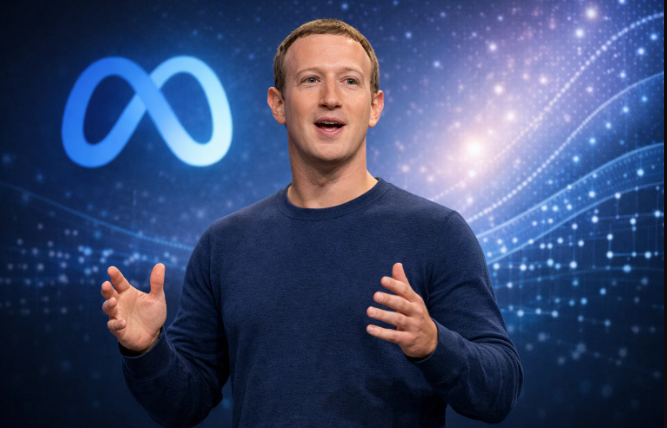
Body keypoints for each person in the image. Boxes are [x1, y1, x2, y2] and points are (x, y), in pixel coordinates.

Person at [101, 18, 523, 428]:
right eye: (310, 80)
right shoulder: (224, 244)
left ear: (374, 106)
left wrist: (434, 344)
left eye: (350, 81)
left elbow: (499, 392)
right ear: (278, 104)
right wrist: (146, 350)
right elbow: (181, 407)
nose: (331, 98)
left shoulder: (437, 232)